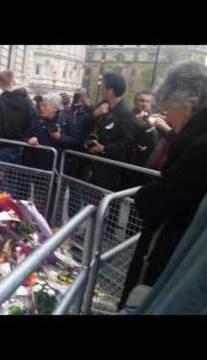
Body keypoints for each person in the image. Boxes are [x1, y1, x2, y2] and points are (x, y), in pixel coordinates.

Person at [119, 61, 207, 310]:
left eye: (169, 111)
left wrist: (145, 195)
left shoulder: (199, 146)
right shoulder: (194, 138)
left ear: (188, 106)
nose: (167, 118)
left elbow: (163, 199)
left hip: (169, 252)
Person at [0, 70, 35, 197]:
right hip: (20, 147)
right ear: (14, 81)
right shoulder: (27, 103)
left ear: (0, 84)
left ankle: (2, 211)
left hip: (2, 148)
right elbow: (32, 122)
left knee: (1, 185)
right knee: (16, 183)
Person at [86, 72, 135, 191]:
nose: (100, 89)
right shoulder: (102, 106)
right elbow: (88, 126)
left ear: (110, 91)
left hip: (111, 171)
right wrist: (94, 115)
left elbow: (128, 143)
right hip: (94, 165)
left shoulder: (125, 113)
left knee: (105, 206)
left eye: (102, 86)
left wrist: (104, 148)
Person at [122, 91, 160, 187]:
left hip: (146, 164)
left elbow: (156, 142)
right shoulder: (128, 117)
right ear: (135, 102)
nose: (144, 104)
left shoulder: (155, 119)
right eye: (141, 101)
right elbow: (125, 139)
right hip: (128, 162)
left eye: (148, 101)